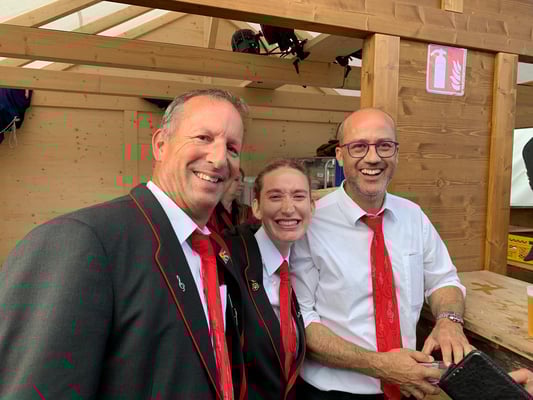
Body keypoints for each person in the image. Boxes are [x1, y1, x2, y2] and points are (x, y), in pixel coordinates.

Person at [0, 89, 248, 399]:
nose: (219, 158)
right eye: (203, 138)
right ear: (160, 145)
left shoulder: (216, 254)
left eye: (232, 148)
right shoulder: (83, 241)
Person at [290, 108, 473, 400]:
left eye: (384, 145)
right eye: (359, 146)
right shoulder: (309, 224)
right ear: (340, 155)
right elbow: (302, 322)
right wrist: (381, 366)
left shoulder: (413, 217)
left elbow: (443, 280)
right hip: (333, 393)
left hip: (408, 386)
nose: (373, 158)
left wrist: (449, 320)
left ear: (396, 153)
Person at [225, 159, 314, 399]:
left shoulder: (305, 263)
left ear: (312, 207)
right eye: (275, 197)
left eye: (298, 196)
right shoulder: (229, 260)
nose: (288, 208)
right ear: (256, 207)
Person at [208, 167, 256, 234]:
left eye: (242, 180)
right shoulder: (208, 212)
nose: (242, 184)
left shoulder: (246, 211)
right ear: (223, 182)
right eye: (236, 180)